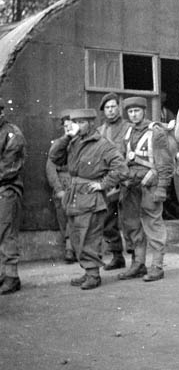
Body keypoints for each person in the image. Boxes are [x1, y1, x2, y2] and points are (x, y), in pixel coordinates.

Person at [48, 108, 128, 290]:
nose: (77, 126)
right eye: (76, 122)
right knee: (76, 237)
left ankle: (93, 275)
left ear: (91, 124)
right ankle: (87, 271)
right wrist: (67, 137)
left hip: (91, 198)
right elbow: (54, 157)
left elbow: (122, 169)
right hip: (74, 196)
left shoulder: (103, 145)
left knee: (89, 236)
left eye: (82, 122)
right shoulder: (73, 142)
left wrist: (103, 184)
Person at [117, 97, 173, 282]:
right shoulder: (127, 131)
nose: (133, 115)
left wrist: (162, 189)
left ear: (144, 112)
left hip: (150, 185)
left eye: (137, 111)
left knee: (153, 225)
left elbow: (165, 163)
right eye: (130, 112)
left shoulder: (156, 132)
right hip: (131, 186)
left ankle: (157, 266)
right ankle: (138, 264)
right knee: (133, 225)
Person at [97, 93, 130, 270]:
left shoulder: (128, 127)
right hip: (109, 181)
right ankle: (117, 256)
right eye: (107, 108)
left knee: (130, 219)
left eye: (113, 106)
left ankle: (137, 259)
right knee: (109, 219)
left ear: (119, 107)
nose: (110, 110)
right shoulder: (100, 131)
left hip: (127, 179)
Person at [0, 99, 26, 295]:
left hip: (6, 189)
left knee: (6, 232)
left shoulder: (12, 134)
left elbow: (9, 167)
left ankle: (12, 276)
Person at [45, 109, 76, 263]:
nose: (68, 130)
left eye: (71, 126)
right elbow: (50, 169)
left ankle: (73, 249)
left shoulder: (80, 144)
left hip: (77, 184)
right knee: (64, 218)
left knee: (77, 218)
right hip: (62, 184)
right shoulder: (58, 145)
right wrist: (58, 189)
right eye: (66, 127)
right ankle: (69, 248)